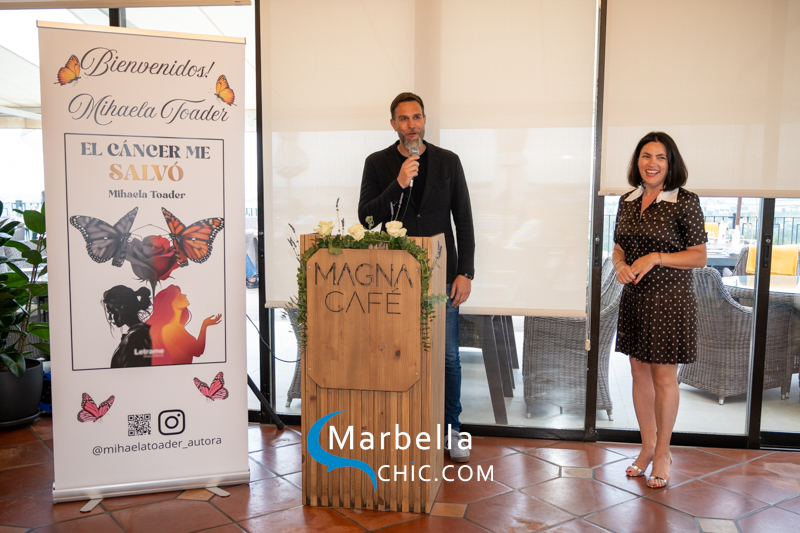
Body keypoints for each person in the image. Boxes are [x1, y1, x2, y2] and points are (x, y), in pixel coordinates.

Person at [358, 92, 475, 462]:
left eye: (417, 117)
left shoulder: (448, 162)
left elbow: (464, 219)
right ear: (393, 124)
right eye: (404, 118)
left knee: (448, 357)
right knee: (397, 353)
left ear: (425, 120)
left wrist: (465, 272)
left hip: (442, 277)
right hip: (394, 278)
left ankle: (451, 429)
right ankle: (404, 427)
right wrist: (399, 182)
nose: (412, 125)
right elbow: (367, 218)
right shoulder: (377, 163)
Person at [612, 131, 707, 489]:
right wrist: (619, 264)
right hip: (635, 298)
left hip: (669, 301)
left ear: (671, 163)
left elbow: (699, 256)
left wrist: (655, 257)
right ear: (637, 161)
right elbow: (619, 246)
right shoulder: (627, 200)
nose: (652, 163)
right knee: (638, 374)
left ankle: (664, 453)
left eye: (660, 157)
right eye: (646, 156)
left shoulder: (685, 201)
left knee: (664, 378)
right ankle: (647, 447)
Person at [146, 285, 222, 365]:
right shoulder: (170, 329)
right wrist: (204, 325)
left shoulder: (176, 327)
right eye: (178, 295)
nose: (184, 295)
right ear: (170, 302)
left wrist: (205, 325)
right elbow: (198, 351)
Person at [102, 285, 153, 368]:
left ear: (123, 308)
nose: (110, 318)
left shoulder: (135, 337)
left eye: (112, 312)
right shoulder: (144, 332)